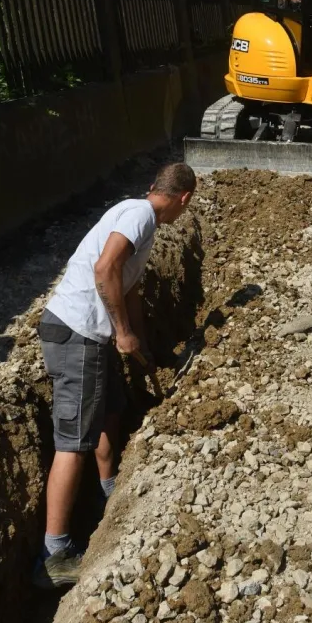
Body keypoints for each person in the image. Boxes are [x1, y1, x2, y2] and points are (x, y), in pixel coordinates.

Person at [33, 162, 196, 589]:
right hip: (77, 333)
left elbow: (127, 288)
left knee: (110, 413)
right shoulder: (140, 214)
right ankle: (54, 555)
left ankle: (110, 500)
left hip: (92, 335)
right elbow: (105, 269)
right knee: (74, 442)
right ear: (184, 199)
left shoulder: (142, 218)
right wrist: (121, 332)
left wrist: (140, 342)